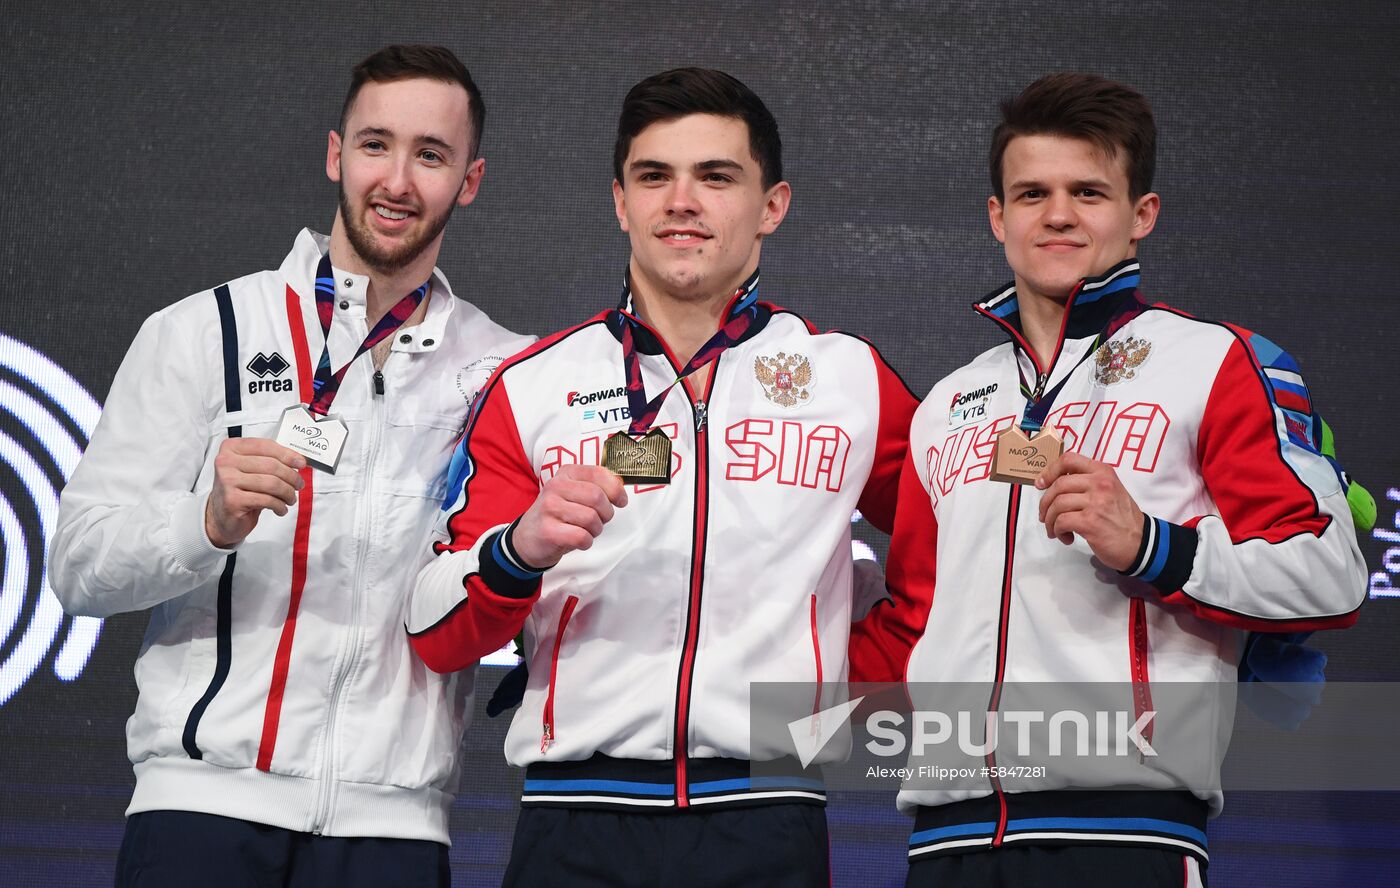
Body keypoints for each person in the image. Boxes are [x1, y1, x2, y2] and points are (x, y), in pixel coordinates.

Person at [849, 73, 1367, 888]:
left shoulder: (1217, 362)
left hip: (1126, 836)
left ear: (1141, 215)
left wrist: (1154, 547)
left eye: (1089, 191)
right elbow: (915, 623)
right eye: (1032, 193)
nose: (1058, 214)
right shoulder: (949, 403)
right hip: (945, 844)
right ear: (999, 218)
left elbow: (1330, 573)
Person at [406, 67, 917, 886]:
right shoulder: (536, 384)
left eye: (716, 176)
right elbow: (434, 633)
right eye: (655, 177)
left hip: (770, 816)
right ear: (621, 202)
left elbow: (957, 551)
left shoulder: (849, 380)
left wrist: (836, 683)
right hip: (575, 821)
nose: (682, 200)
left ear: (772, 206)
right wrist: (518, 550)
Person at [49, 45, 531, 887]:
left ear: (471, 179)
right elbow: (79, 566)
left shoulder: (505, 371)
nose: (398, 181)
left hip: (397, 827)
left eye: (431, 155)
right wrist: (205, 521)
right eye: (376, 145)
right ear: (336, 153)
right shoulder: (202, 331)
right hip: (201, 812)